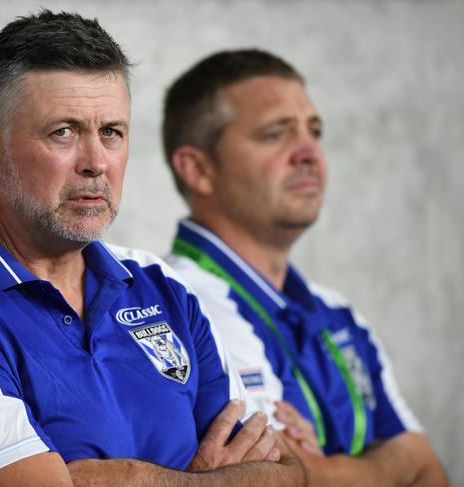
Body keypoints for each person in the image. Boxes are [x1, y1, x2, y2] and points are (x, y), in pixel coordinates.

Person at [0, 13, 305, 487]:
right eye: (63, 133)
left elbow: (289, 473)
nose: (96, 163)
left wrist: (131, 479)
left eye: (111, 131)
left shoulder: (161, 285)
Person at [163, 49, 448, 486]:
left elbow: (429, 468)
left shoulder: (338, 311)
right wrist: (391, 463)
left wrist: (326, 471)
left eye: (314, 131)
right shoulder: (176, 306)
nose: (308, 152)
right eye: (276, 134)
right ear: (199, 170)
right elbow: (281, 478)